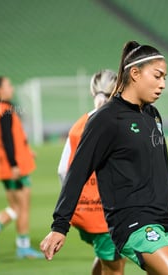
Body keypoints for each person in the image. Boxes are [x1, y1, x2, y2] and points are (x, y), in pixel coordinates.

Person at [40, 41, 168, 274]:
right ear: (135, 73)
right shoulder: (106, 119)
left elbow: (163, 175)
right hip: (133, 223)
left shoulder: (153, 115)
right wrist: (60, 226)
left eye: (165, 78)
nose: (163, 85)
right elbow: (76, 173)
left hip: (163, 221)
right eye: (157, 76)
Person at [57, 70, 126, 275]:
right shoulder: (118, 123)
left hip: (81, 213)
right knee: (115, 269)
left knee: (105, 258)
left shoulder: (79, 124)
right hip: (108, 215)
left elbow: (62, 170)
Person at [0, 76, 43, 260]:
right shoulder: (5, 110)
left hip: (2, 166)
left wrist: (26, 151)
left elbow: (5, 139)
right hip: (14, 167)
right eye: (8, 85)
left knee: (14, 207)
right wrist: (15, 164)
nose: (11, 88)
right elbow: (7, 139)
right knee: (22, 207)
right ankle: (23, 248)